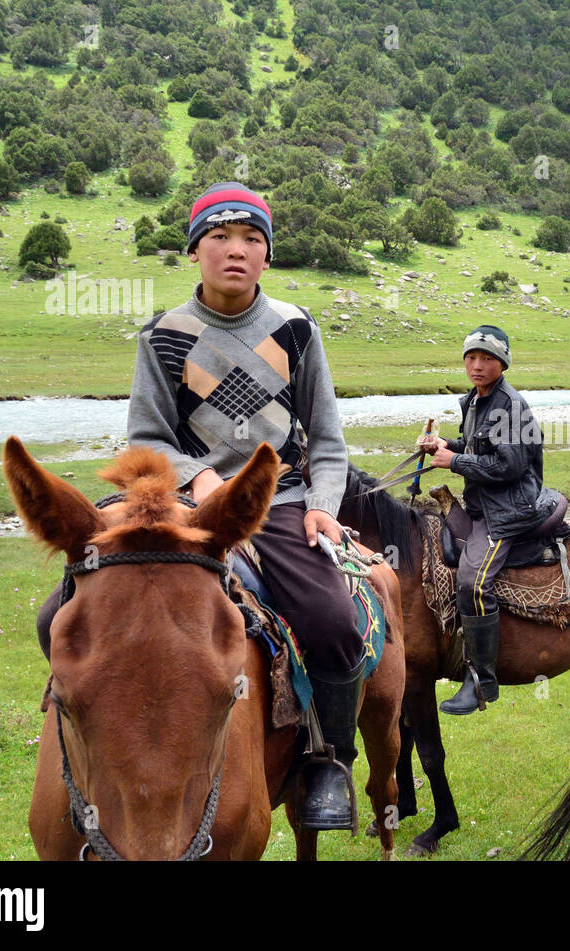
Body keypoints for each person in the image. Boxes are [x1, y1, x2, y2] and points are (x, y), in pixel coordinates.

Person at [126, 181, 363, 832]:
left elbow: (329, 438)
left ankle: (326, 762)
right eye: (220, 237)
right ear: (196, 250)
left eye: (252, 238)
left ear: (267, 255)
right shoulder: (164, 336)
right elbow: (146, 438)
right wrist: (200, 481)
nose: (237, 249)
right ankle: (96, 744)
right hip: (183, 507)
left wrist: (321, 504)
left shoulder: (294, 327)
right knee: (65, 607)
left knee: (335, 620)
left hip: (278, 503)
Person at [417, 325, 546, 715]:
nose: (476, 365)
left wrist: (454, 462)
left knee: (472, 581)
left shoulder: (512, 406)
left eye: (486, 358)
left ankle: (482, 682)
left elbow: (509, 465)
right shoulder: (475, 400)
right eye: (471, 357)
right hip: (482, 502)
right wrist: (443, 446)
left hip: (507, 508)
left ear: (501, 363)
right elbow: (477, 447)